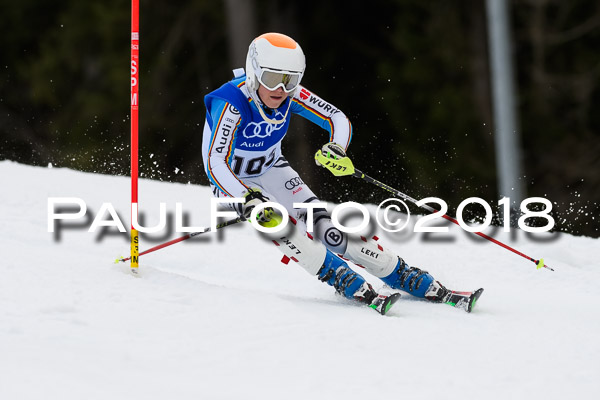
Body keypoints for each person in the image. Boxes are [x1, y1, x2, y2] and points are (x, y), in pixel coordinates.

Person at [202, 32, 483, 315]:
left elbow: (337, 118)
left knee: (326, 228)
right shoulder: (231, 102)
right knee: (279, 224)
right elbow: (215, 162)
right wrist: (246, 197)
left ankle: (401, 273)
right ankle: (339, 276)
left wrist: (336, 147)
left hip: (272, 169)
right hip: (230, 182)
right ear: (253, 72)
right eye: (272, 78)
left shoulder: (289, 95)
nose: (281, 89)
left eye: (291, 79)